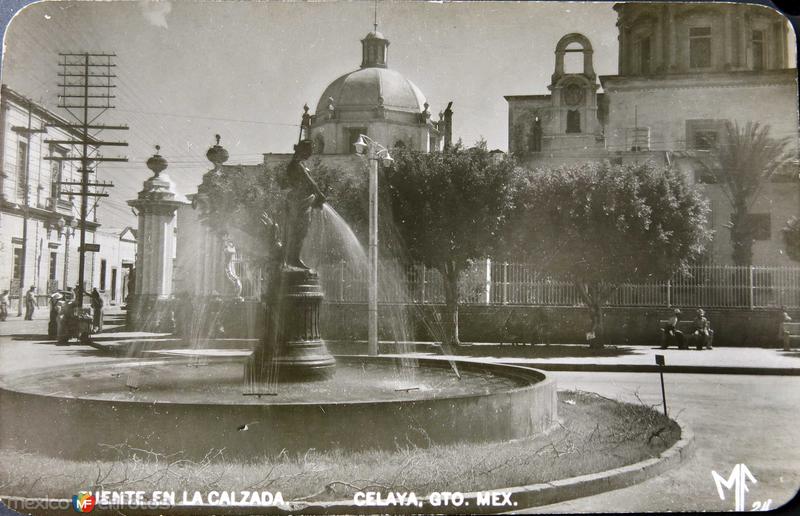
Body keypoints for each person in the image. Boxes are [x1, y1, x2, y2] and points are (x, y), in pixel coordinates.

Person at [281, 139, 326, 270]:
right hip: (298, 201)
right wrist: (319, 194)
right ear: (302, 150)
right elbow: (310, 182)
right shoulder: (296, 165)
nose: (311, 153)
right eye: (309, 150)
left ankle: (294, 257)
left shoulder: (298, 164)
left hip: (303, 201)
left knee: (302, 230)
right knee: (299, 230)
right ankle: (293, 258)